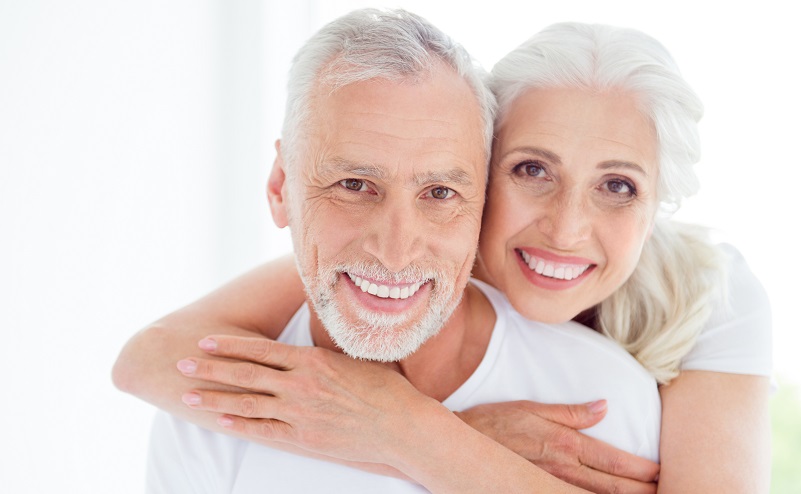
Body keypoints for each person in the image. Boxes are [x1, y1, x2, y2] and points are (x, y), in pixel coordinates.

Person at [113, 10, 772, 494]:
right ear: (484, 175)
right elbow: (146, 360)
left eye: (617, 185)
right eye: (531, 171)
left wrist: (411, 430)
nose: (566, 228)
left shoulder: (706, 310)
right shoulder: (407, 255)